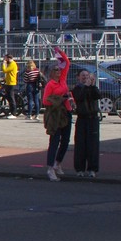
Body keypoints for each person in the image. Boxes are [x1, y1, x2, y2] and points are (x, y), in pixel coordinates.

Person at [42, 48, 73, 181]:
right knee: (54, 141)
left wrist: (58, 51)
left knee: (65, 141)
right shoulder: (50, 84)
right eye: (56, 70)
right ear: (51, 73)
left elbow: (66, 63)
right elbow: (45, 101)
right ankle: (50, 168)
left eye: (59, 69)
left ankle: (58, 163)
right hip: (55, 115)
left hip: (66, 112)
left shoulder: (62, 80)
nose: (59, 71)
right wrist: (60, 98)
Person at [71, 69, 101, 177]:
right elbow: (79, 97)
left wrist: (92, 86)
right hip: (82, 119)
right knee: (80, 144)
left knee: (93, 145)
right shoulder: (77, 89)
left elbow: (98, 95)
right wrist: (85, 86)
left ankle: (92, 169)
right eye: (83, 75)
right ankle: (80, 169)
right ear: (78, 77)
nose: (85, 77)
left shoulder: (92, 88)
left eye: (87, 75)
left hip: (93, 119)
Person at [0, 53, 19, 118]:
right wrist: (4, 79)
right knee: (8, 97)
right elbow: (9, 73)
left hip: (11, 83)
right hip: (8, 82)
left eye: (5, 58)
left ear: (9, 58)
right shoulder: (10, 64)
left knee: (11, 98)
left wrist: (4, 64)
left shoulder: (13, 64)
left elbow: (5, 70)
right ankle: (11, 112)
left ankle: (14, 113)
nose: (5, 60)